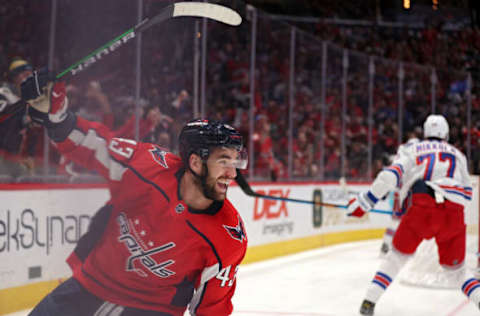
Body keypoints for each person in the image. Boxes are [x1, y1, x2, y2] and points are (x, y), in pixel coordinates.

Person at [21, 69, 249, 316]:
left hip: (152, 309)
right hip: (89, 285)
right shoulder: (147, 164)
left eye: (235, 163)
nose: (232, 174)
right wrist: (58, 114)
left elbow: (212, 310)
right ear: (195, 163)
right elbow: (94, 144)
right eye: (224, 161)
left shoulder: (229, 236)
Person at [347, 114, 480, 315]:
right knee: (457, 272)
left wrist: (366, 201)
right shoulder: (458, 154)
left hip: (422, 208)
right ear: (445, 133)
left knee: (396, 258)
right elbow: (468, 191)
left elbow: (389, 176)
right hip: (453, 213)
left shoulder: (412, 149)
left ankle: (369, 302)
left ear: (425, 132)